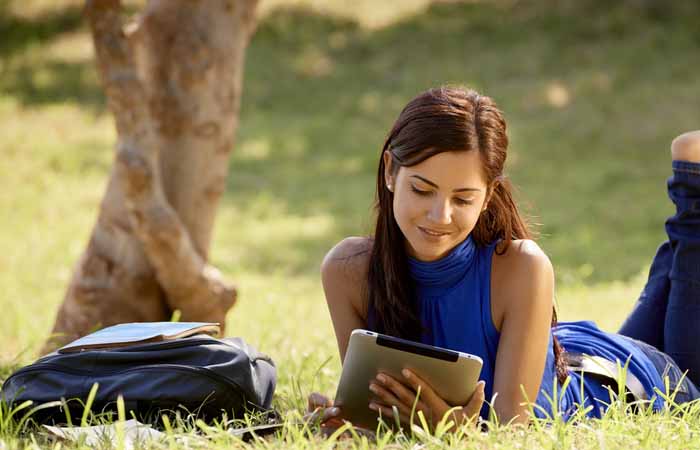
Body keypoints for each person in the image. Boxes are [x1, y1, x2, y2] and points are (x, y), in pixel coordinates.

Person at [307, 86, 700, 431]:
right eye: (422, 190)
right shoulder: (347, 271)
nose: (439, 216)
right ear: (391, 171)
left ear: (489, 195)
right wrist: (346, 422)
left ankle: (692, 185)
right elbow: (376, 410)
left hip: (622, 380)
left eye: (463, 199)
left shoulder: (522, 267)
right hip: (566, 353)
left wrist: (456, 433)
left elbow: (513, 432)